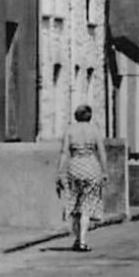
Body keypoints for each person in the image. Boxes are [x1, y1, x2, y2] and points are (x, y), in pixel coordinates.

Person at [56, 105, 106, 251]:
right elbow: (101, 152)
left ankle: (78, 239)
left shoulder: (70, 130)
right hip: (91, 167)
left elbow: (64, 152)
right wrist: (105, 171)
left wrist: (59, 172)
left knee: (75, 204)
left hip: (74, 167)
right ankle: (83, 241)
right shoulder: (94, 130)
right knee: (87, 206)